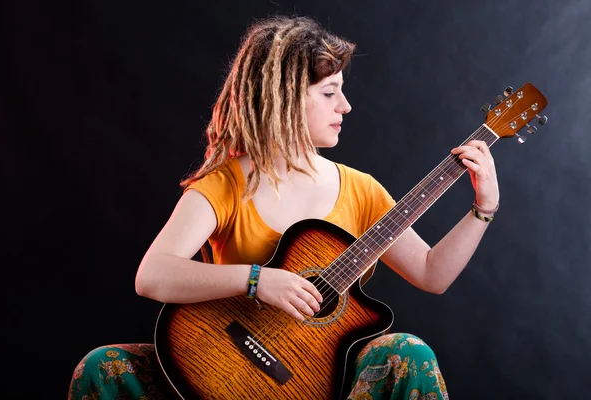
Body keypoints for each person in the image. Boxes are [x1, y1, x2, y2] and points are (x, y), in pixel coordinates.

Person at [68, 15, 500, 400]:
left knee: (408, 352)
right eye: (330, 92)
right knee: (103, 366)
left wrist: (484, 208)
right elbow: (153, 275)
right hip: (220, 374)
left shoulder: (360, 190)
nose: (345, 106)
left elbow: (430, 273)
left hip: (320, 379)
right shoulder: (225, 184)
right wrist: (258, 280)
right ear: (286, 96)